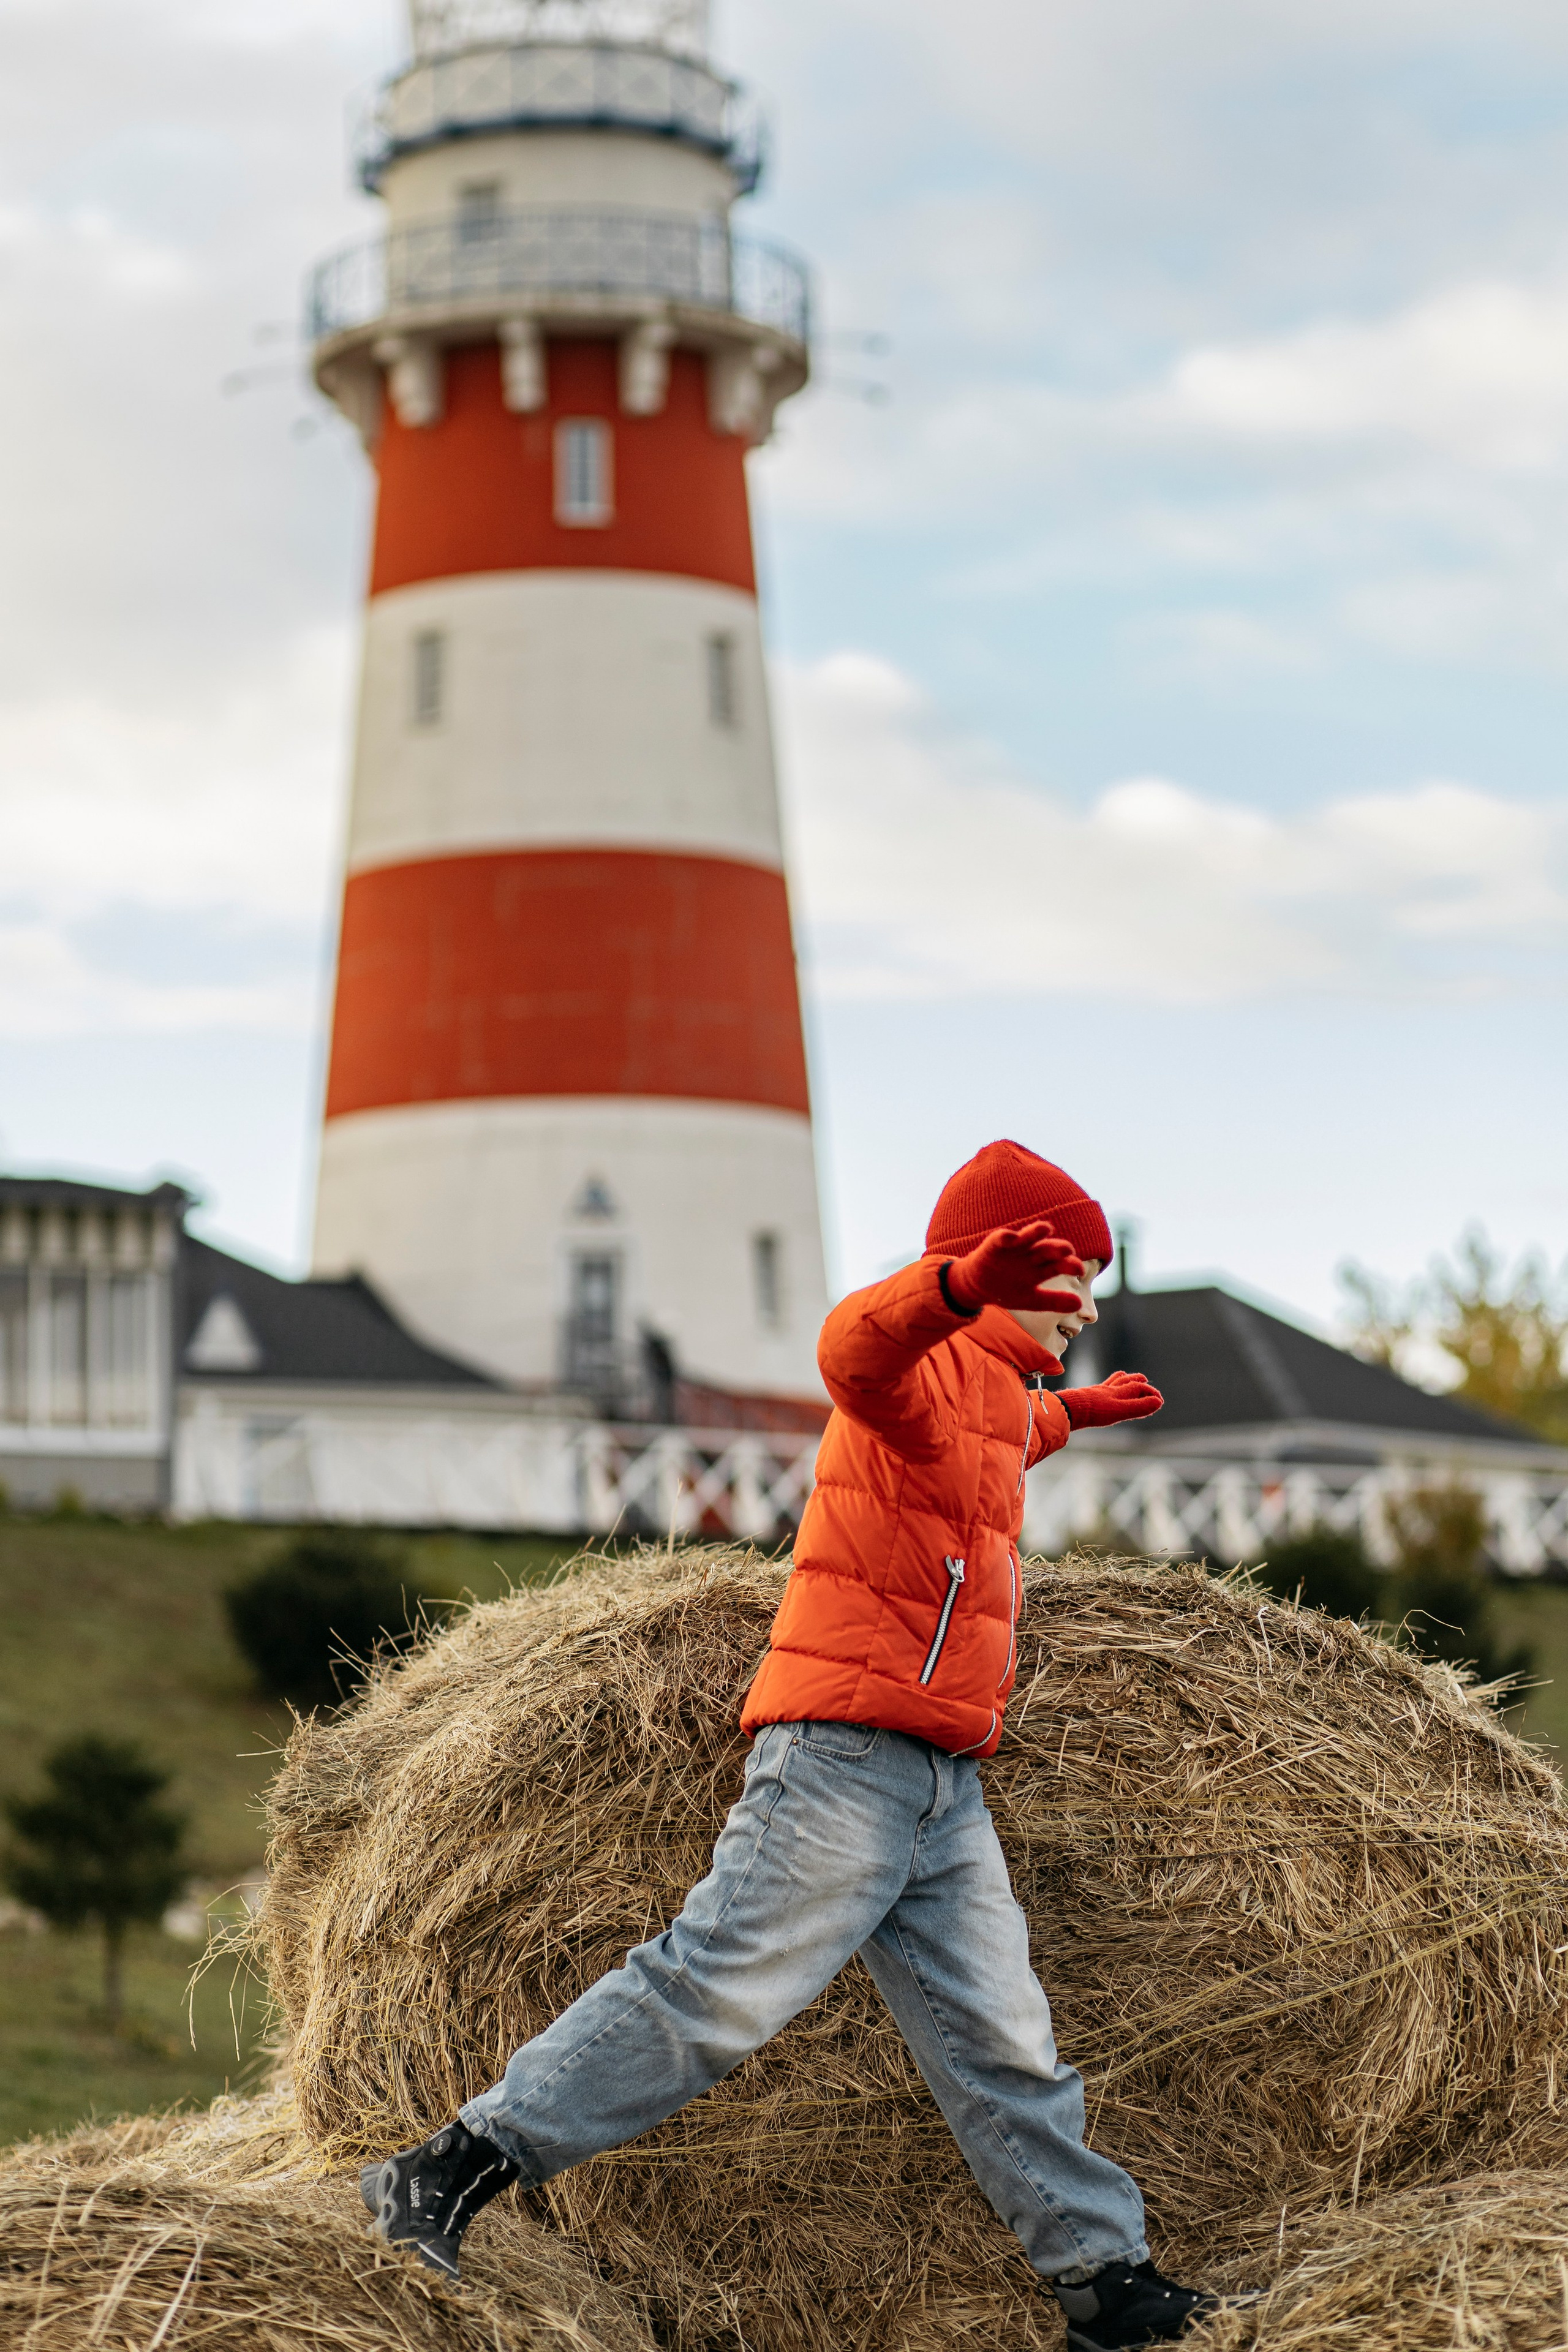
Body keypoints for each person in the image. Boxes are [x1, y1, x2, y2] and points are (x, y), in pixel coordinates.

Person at [361, 1140, 1253, 2350]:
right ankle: (451, 2167)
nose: (1088, 1303)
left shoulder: (990, 1393)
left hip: (940, 1783)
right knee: (712, 1993)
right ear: (994, 1272)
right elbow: (853, 1351)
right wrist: (943, 1285)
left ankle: (1104, 2284)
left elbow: (994, 1440)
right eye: (1070, 1276)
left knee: (1005, 2046)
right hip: (844, 1759)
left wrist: (1075, 1413)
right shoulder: (921, 1356)